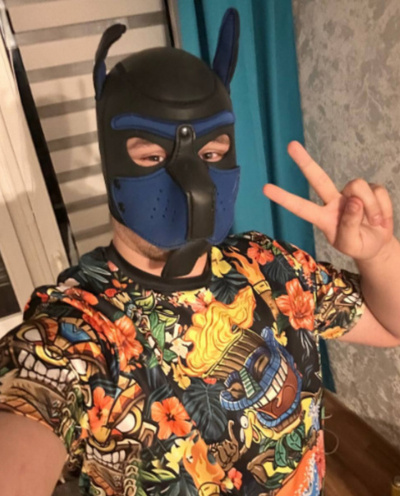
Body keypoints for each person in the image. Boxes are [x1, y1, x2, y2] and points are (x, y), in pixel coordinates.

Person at [0, 8, 399, 496]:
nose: (192, 181)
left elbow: (392, 326)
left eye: (210, 155)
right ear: (112, 163)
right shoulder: (79, 335)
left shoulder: (270, 266)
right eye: (153, 157)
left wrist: (378, 254)